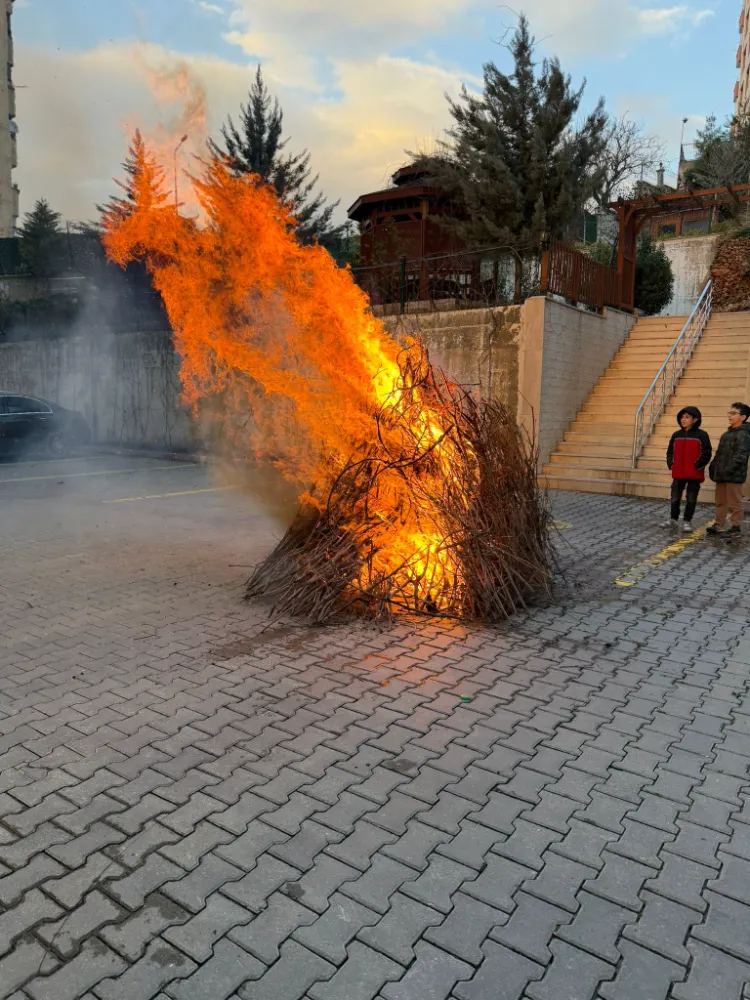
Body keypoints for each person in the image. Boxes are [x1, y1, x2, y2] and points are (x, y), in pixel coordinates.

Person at [663, 406, 712, 533]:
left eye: (687, 417)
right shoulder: (676, 435)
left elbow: (706, 453)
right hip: (678, 472)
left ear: (695, 420)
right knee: (675, 497)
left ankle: (687, 521)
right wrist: (671, 464)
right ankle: (673, 519)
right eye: (681, 417)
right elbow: (670, 452)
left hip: (694, 473)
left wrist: (696, 466)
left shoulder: (702, 435)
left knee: (691, 498)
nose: (683, 419)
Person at [707, 402, 750, 538]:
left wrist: (727, 470)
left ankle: (736, 527)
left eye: (733, 413)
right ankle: (718, 523)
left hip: (734, 475)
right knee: (720, 501)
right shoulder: (726, 434)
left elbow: (740, 456)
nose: (730, 416)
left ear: (742, 417)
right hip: (721, 474)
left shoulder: (743, 434)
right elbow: (719, 454)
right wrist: (713, 467)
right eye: (729, 413)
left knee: (734, 502)